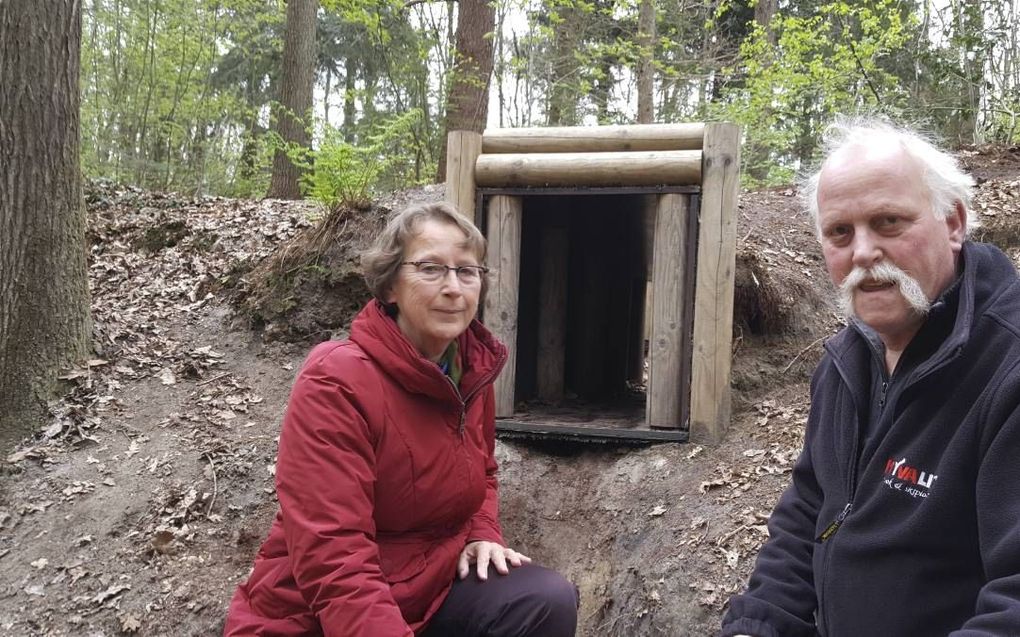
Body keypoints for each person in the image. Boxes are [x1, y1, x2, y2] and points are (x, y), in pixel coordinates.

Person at [721, 117, 1020, 637]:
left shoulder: (1007, 372)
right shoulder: (847, 361)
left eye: (888, 222)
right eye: (840, 232)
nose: (862, 252)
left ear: (953, 223)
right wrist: (758, 624)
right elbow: (806, 513)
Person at [224, 202, 578, 637]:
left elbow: (483, 472)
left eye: (467, 272)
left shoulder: (469, 375)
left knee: (545, 601)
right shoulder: (337, 380)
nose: (454, 288)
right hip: (320, 614)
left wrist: (482, 532)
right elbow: (333, 556)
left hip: (428, 588)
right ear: (390, 286)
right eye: (431, 269)